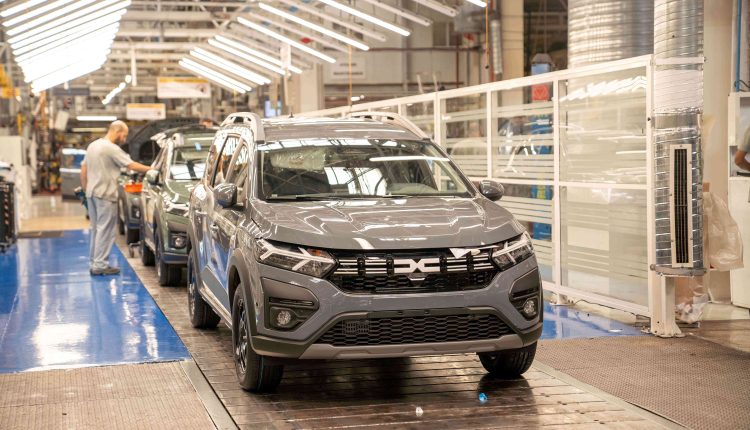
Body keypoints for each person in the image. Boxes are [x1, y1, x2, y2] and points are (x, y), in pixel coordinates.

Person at [80, 121, 150, 276]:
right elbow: (131, 165)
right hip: (105, 194)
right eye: (124, 135)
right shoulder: (110, 148)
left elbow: (83, 169)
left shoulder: (93, 145)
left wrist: (85, 189)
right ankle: (100, 265)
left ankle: (95, 262)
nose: (125, 138)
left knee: (97, 229)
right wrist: (153, 170)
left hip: (92, 193)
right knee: (105, 230)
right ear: (118, 131)